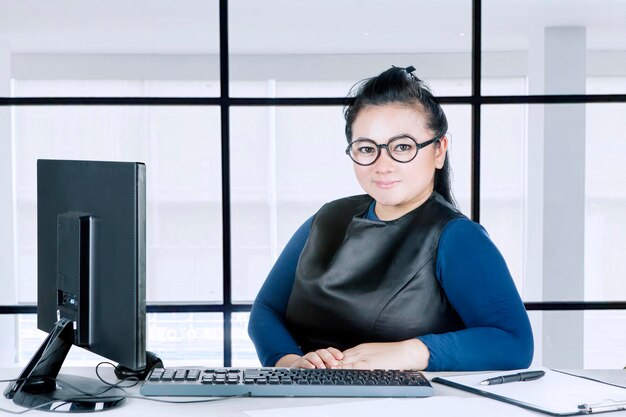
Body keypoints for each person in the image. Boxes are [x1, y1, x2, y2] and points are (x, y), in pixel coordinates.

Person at [248, 66, 534, 371]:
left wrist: (412, 352)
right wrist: (290, 362)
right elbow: (266, 310)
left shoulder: (457, 237)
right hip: (301, 401)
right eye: (367, 148)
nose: (382, 165)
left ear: (439, 150)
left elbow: (513, 342)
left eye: (402, 147)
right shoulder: (327, 218)